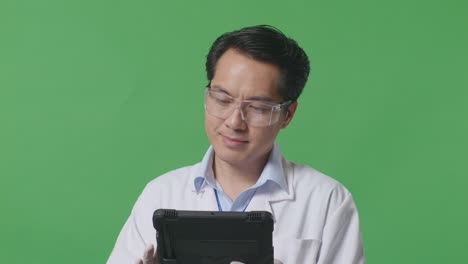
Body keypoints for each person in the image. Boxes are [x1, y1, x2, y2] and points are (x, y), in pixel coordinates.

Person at [108, 25, 365, 264]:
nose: (234, 121)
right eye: (222, 99)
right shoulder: (161, 193)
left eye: (258, 107)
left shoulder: (327, 200)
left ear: (288, 114)